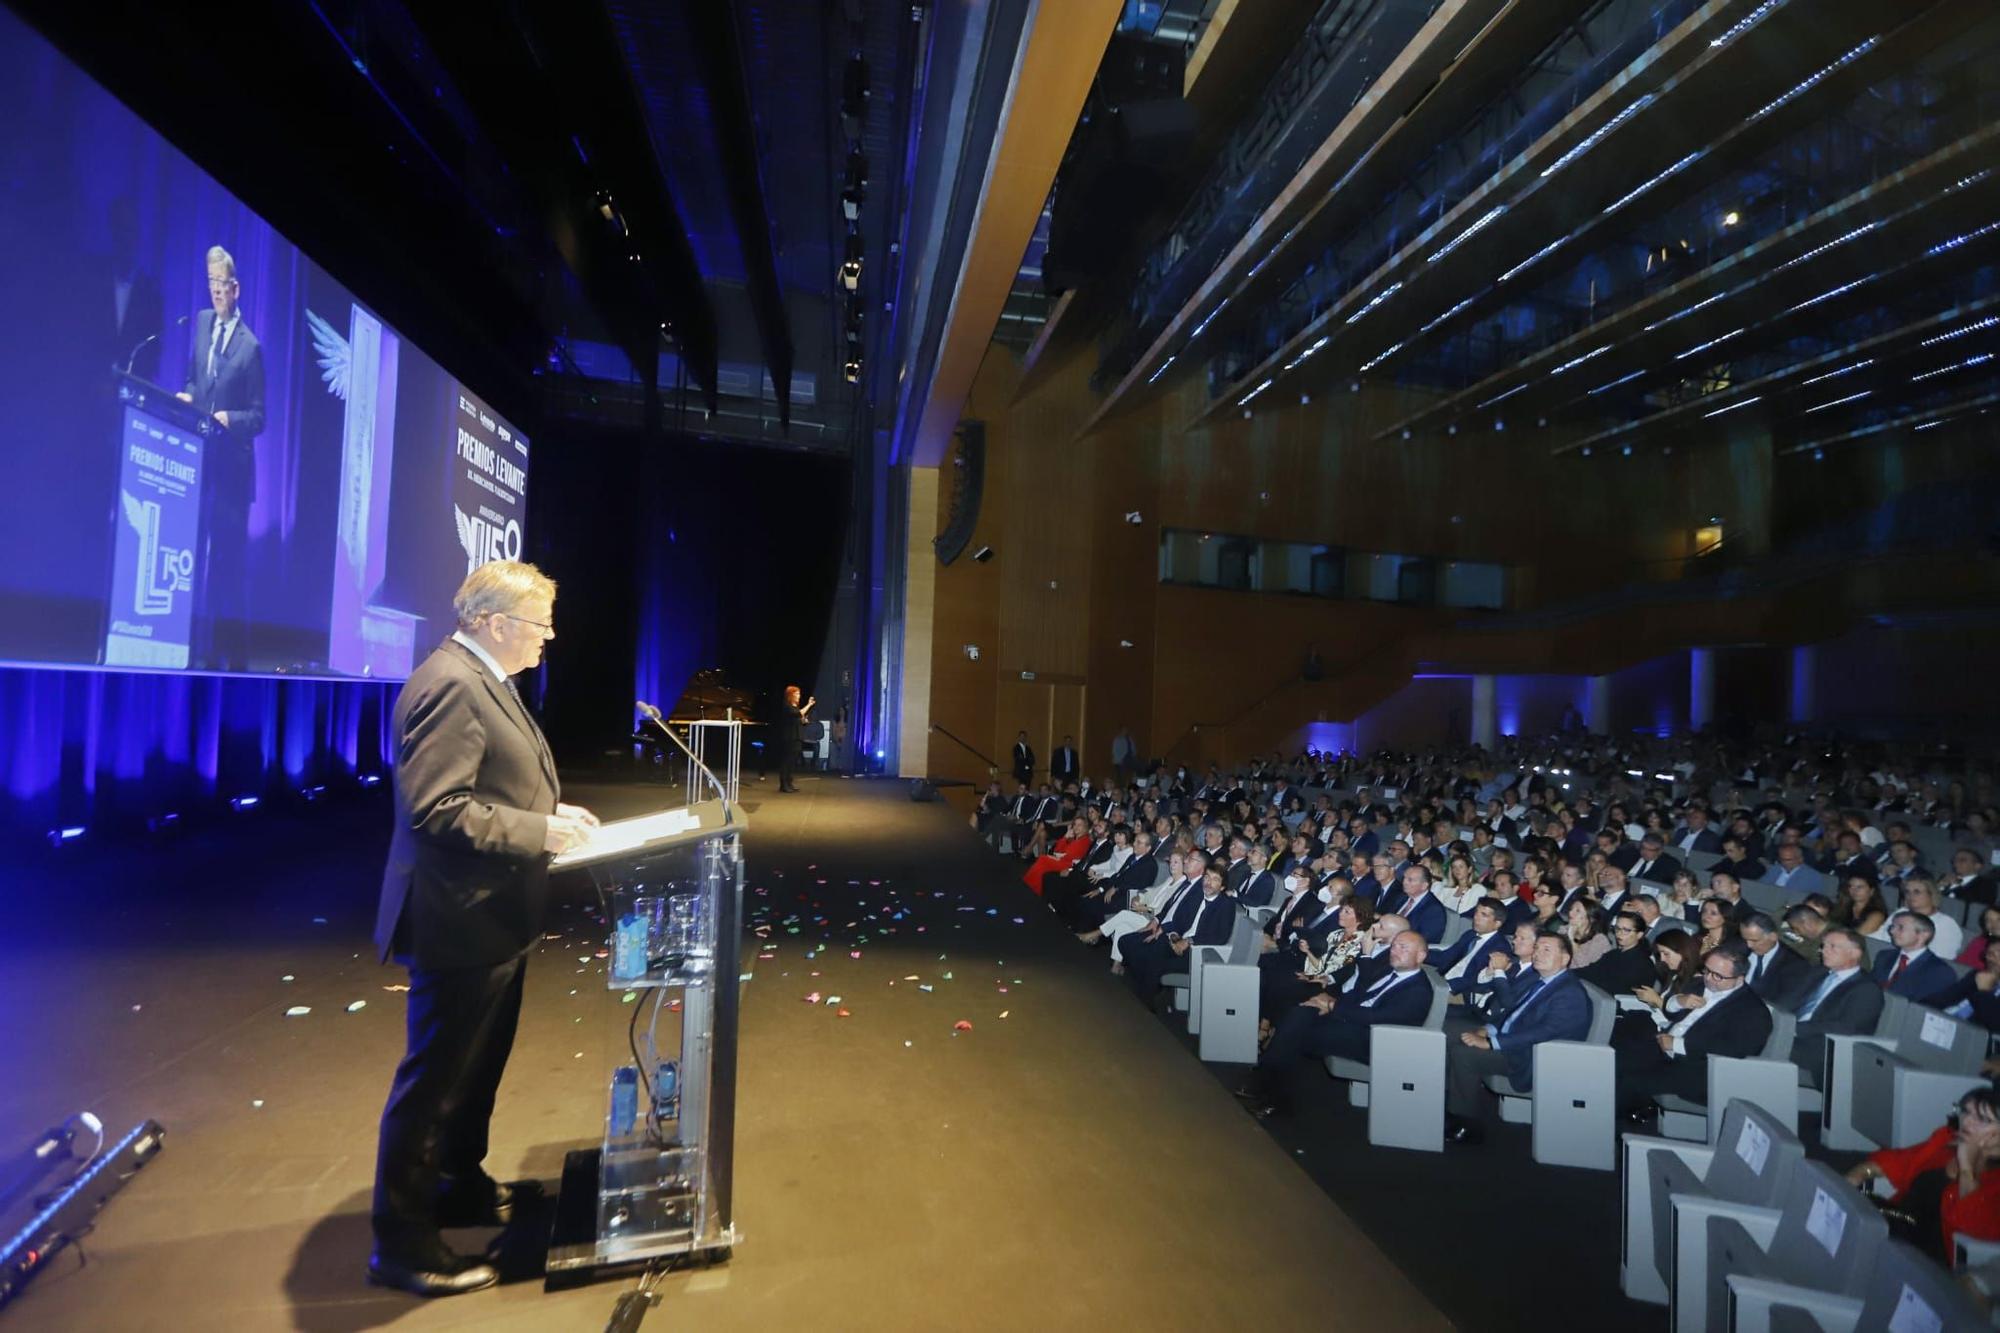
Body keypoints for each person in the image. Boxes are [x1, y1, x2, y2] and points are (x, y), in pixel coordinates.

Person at [368, 561, 599, 1297]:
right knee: (436, 1080)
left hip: (492, 913)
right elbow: (438, 809)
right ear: (494, 622)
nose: (549, 637)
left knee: (474, 1070)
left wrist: (550, 818)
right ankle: (402, 1242)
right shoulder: (450, 685)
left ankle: (457, 1185)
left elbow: (497, 784)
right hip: (458, 914)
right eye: (540, 624)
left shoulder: (484, 679)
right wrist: (540, 831)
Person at [177, 244, 265, 672]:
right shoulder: (200, 324)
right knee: (193, 555)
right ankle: (193, 646)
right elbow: (194, 377)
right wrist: (187, 395)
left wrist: (231, 417)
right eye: (209, 283)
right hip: (200, 464)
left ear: (236, 289)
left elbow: (260, 417)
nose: (215, 292)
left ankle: (231, 658)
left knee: (226, 569)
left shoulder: (251, 348)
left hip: (232, 472)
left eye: (221, 284)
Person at [1237, 930, 1433, 1118]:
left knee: (1299, 1033)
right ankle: (1269, 1085)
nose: (1395, 951)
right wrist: (1327, 1000)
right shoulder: (1389, 972)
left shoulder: (1418, 990)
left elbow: (1377, 1018)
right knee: (1300, 1012)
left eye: (1403, 948)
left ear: (1421, 956)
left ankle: (1271, 1090)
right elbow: (1359, 994)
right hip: (1353, 1022)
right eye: (1394, 946)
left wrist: (1332, 1006)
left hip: (1373, 1040)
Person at [1445, 932, 1592, 1143]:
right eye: (1537, 948)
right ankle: (1447, 1102)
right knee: (1451, 1033)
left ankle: (1466, 1124)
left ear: (1565, 958)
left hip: (1533, 1055)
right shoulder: (1543, 981)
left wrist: (1492, 1043)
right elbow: (1514, 1013)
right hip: (1516, 1042)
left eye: (1546, 950)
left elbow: (1544, 1032)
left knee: (1464, 1054)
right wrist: (1489, 1029)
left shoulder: (1569, 992)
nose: (1537, 954)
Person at [1616, 941, 1772, 1121]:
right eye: (1707, 970)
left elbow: (1733, 1050)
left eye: (1718, 976)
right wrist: (1679, 1001)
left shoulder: (1753, 1011)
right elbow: (1670, 1013)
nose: (1709, 979)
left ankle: (1617, 1133)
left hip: (1698, 1068)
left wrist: (1677, 1044)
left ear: (1740, 978)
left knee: (1631, 1081)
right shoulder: (1699, 984)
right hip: (1666, 1046)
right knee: (1618, 1056)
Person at [1845, 1087, 2000, 1265]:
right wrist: (1859, 1175)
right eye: (1966, 1112)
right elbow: (1897, 1161)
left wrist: (1967, 1167)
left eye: (1983, 1119)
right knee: (1841, 1199)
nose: (1967, 1122)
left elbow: (1974, 1228)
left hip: (1928, 1260)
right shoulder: (1945, 1143)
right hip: (1896, 1227)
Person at [1790, 928, 1885, 1086]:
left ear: (1854, 953)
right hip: (1796, 1033)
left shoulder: (1866, 989)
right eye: (1823, 946)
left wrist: (1795, 1029)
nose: (1823, 951)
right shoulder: (1818, 973)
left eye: (1832, 946)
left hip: (1822, 1048)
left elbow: (1847, 1028)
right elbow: (1790, 1000)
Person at [1871, 911, 1961, 1006]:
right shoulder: (1884, 956)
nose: (1892, 931)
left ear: (1923, 935)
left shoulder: (1940, 972)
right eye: (1893, 927)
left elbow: (1921, 1009)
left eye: (1900, 928)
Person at [1740, 911, 1816, 1011]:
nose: (1749, 945)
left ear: (1773, 937)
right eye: (1745, 939)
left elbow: (1784, 1004)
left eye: (1754, 940)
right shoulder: (1737, 949)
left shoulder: (1796, 965)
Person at [773, 684, 814, 793]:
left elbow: (798, 719)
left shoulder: (794, 706)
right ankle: (783, 784)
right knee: (786, 760)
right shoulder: (786, 705)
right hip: (789, 737)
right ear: (791, 695)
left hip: (797, 736)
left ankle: (789, 782)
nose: (799, 696)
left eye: (799, 694)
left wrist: (803, 721)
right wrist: (809, 705)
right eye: (797, 694)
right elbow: (798, 713)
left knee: (792, 761)